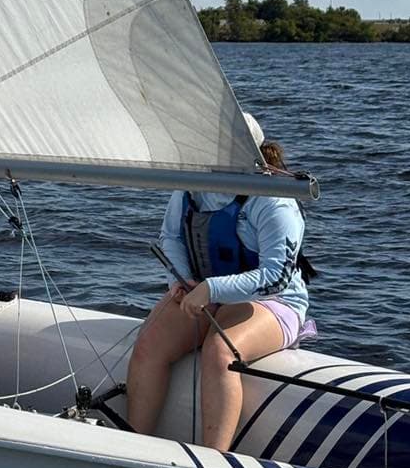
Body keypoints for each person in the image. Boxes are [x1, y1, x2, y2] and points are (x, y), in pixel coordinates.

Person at [125, 114, 312, 450]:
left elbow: (275, 278)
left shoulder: (274, 200)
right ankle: (134, 446)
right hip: (203, 292)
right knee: (150, 343)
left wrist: (211, 289)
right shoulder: (193, 186)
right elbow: (171, 237)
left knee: (219, 349)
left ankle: (214, 460)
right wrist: (181, 280)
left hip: (276, 303)